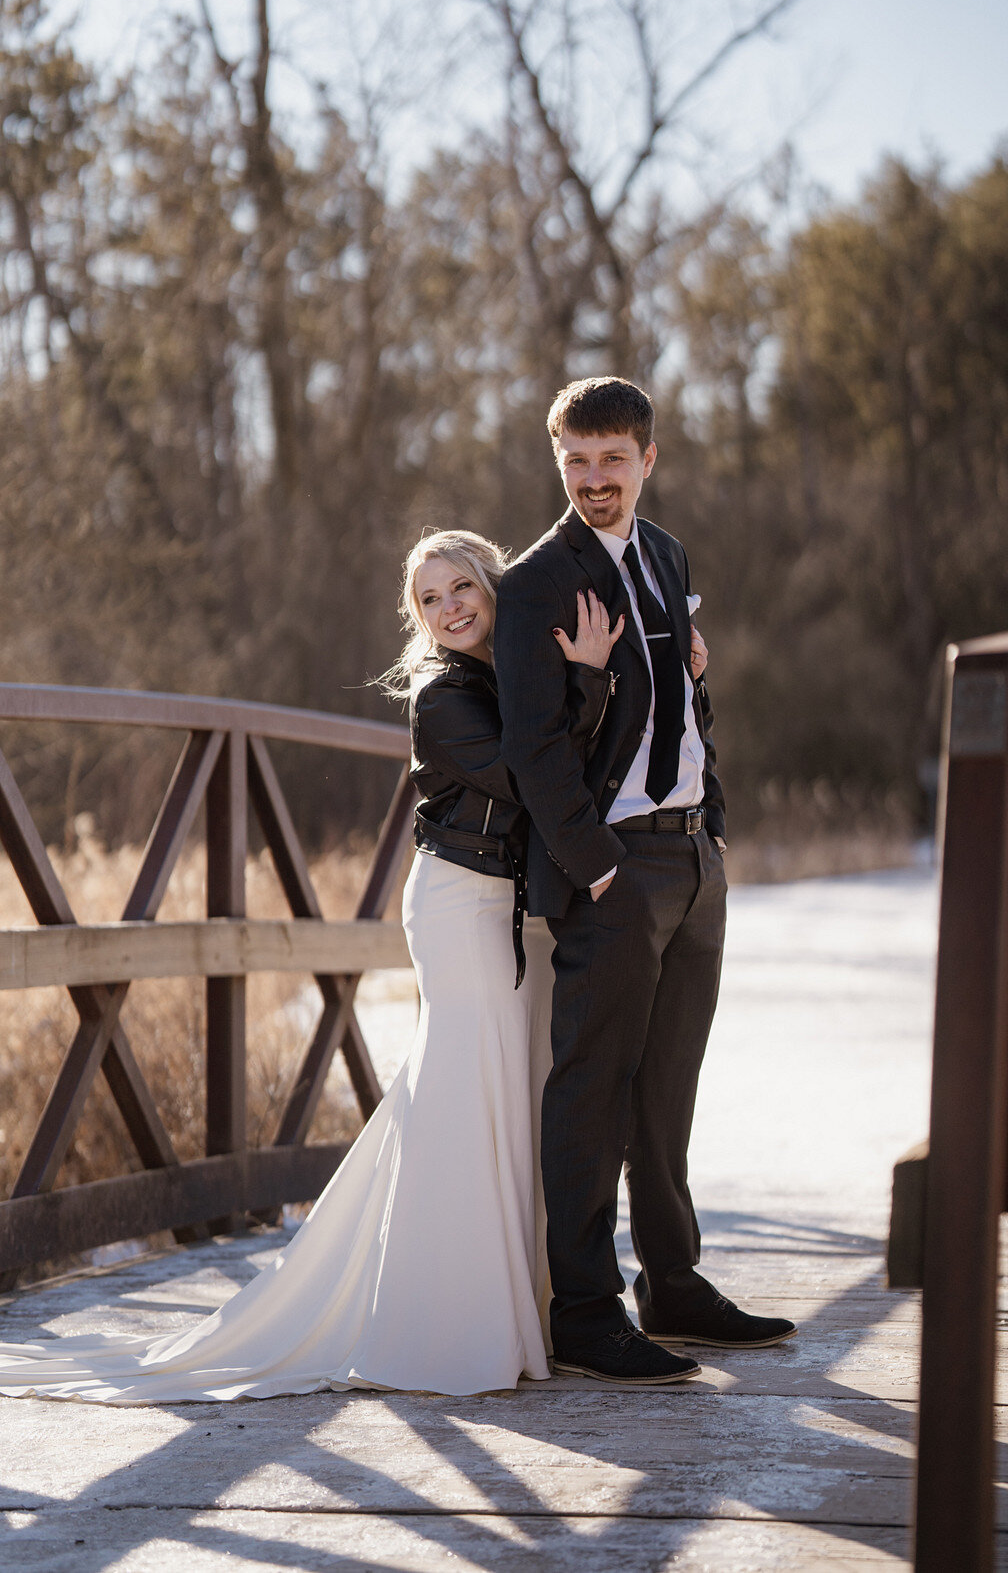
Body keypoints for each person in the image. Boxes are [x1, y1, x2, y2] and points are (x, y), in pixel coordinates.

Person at [0, 529, 623, 1402]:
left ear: (492, 584)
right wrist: (587, 679)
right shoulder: (441, 698)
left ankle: (516, 1306)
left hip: (513, 916)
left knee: (492, 1096)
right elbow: (535, 776)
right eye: (429, 600)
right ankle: (445, 1328)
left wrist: (609, 674)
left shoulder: (509, 674)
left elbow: (578, 766)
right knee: (463, 1095)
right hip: (457, 907)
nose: (449, 609)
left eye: (460, 588)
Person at [494, 376, 797, 1387]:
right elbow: (535, 751)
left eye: (611, 461)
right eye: (574, 462)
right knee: (592, 1089)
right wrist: (599, 871)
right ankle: (585, 1306)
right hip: (618, 867)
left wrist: (712, 820)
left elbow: (675, 696)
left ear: (648, 459)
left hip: (694, 860)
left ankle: (674, 1282)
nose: (592, 481)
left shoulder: (665, 555)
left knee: (669, 1088)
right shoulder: (537, 581)